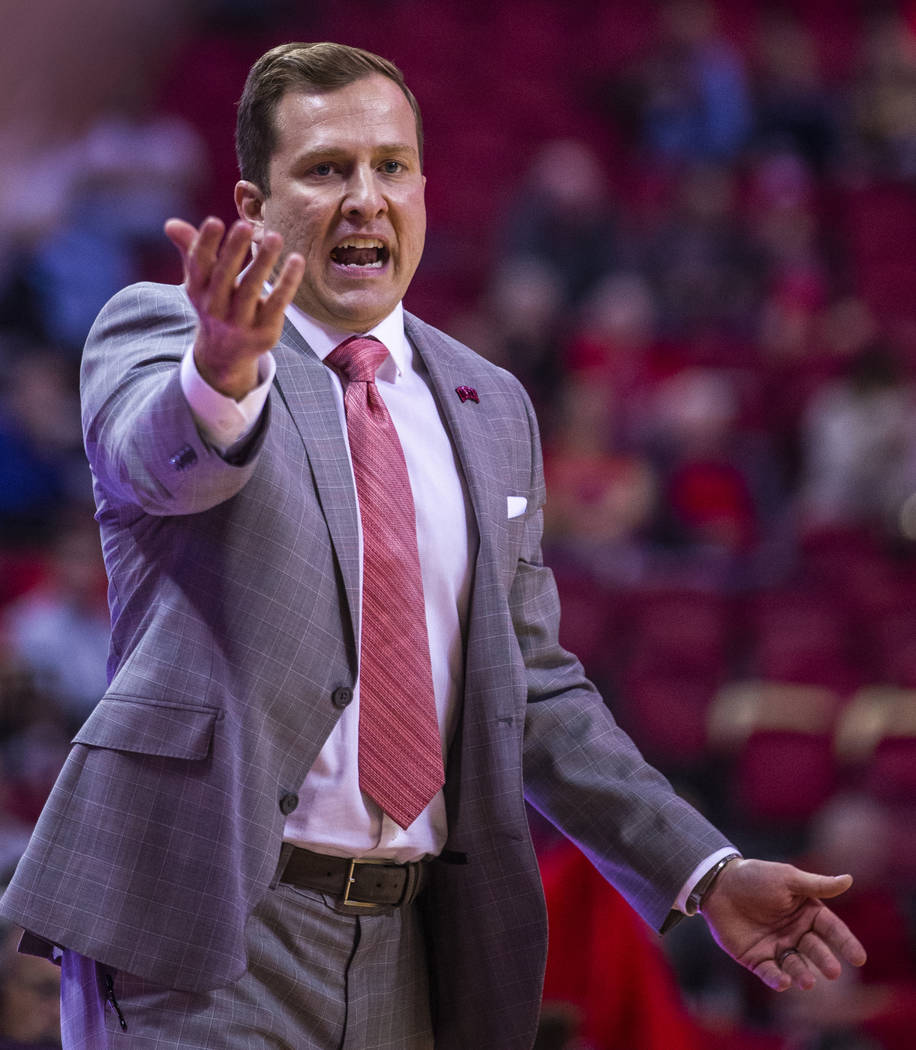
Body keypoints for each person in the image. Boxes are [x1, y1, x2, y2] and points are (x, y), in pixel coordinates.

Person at [0, 42, 865, 1050]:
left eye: (390, 166)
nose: (364, 196)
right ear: (253, 202)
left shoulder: (490, 404)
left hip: (413, 939)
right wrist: (223, 371)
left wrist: (704, 872)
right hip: (199, 926)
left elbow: (534, 691)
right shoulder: (161, 332)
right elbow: (158, 461)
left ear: (422, 190)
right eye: (326, 170)